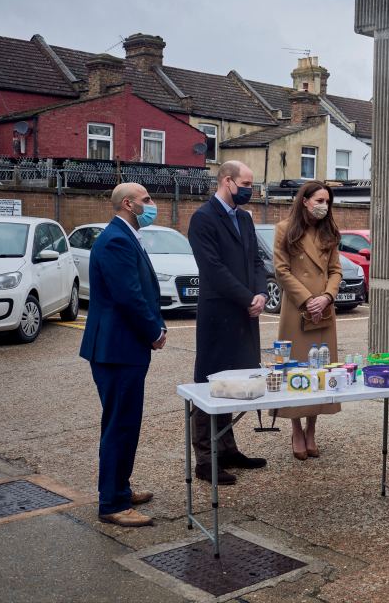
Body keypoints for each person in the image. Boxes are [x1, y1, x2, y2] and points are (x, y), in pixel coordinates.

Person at [80, 183, 167, 527]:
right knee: (119, 425)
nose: (152, 205)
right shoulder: (117, 239)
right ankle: (112, 504)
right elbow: (128, 296)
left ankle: (121, 488)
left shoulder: (126, 234)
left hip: (123, 347)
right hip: (117, 348)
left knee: (126, 422)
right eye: (146, 200)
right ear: (128, 204)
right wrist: (154, 331)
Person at [188, 160, 268, 485]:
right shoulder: (203, 219)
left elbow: (257, 261)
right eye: (245, 184)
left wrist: (261, 293)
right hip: (219, 316)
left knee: (236, 382)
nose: (250, 190)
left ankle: (228, 447)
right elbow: (214, 269)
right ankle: (206, 460)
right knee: (211, 385)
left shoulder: (245, 219)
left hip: (246, 316)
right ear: (226, 181)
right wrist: (247, 298)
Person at [273, 181, 342, 460]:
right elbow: (281, 269)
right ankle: (295, 428)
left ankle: (312, 428)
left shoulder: (330, 232)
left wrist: (326, 296)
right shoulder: (284, 229)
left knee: (320, 371)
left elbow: (336, 270)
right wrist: (307, 299)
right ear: (305, 201)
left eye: (327, 201)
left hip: (323, 308)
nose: (324, 206)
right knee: (294, 369)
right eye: (319, 200)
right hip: (296, 308)